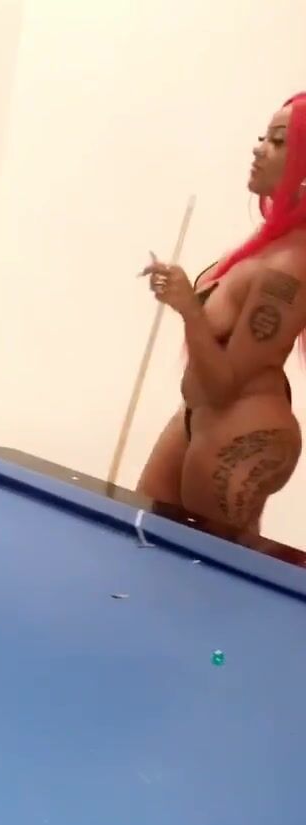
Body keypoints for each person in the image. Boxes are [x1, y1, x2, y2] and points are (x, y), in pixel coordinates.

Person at [137, 93, 306, 542]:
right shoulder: (268, 244)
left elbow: (223, 384)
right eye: (263, 137)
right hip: (201, 416)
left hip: (239, 429)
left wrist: (187, 307)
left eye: (278, 141)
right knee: (147, 540)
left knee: (213, 568)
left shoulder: (290, 266)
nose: (258, 148)